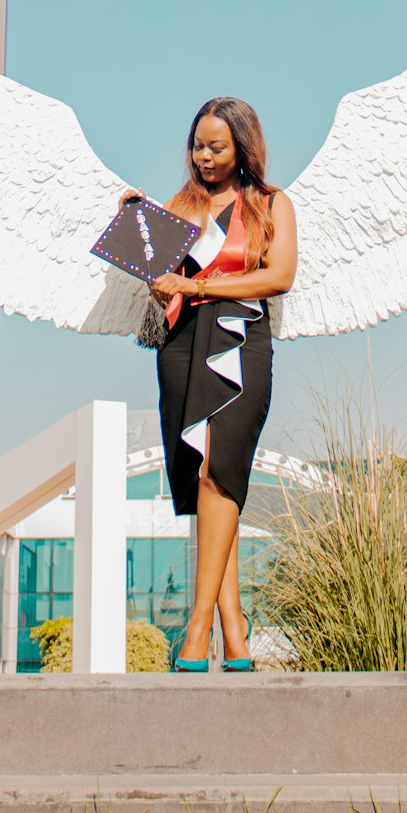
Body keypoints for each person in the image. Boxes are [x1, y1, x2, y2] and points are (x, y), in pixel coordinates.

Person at [120, 96, 297, 672]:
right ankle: (234, 630)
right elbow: (160, 289)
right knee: (200, 481)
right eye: (198, 145)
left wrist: (200, 288)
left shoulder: (273, 204)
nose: (204, 156)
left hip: (243, 346)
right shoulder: (179, 205)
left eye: (217, 146)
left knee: (221, 472)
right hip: (180, 348)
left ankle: (197, 632)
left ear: (243, 146)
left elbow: (280, 276)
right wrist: (140, 233)